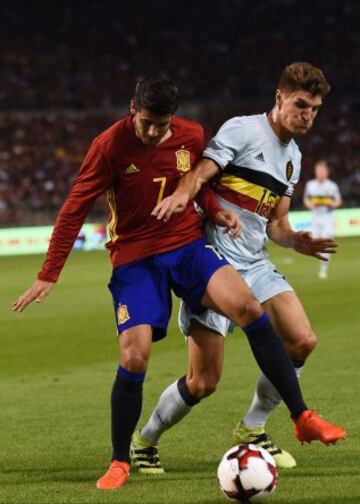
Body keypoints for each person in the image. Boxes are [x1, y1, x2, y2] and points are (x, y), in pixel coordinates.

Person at [13, 73, 344, 491]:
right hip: (135, 259)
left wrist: (212, 208)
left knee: (250, 310)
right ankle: (121, 460)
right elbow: (74, 208)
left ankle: (300, 416)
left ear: (175, 118)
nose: (154, 132)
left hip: (188, 248)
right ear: (133, 109)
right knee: (137, 359)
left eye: (163, 124)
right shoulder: (109, 146)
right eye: (147, 122)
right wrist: (49, 273)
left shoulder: (191, 135)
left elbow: (201, 184)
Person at [131, 62, 346, 474]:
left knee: (302, 341)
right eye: (301, 104)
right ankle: (145, 440)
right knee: (203, 383)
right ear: (280, 98)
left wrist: (295, 239)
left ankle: (253, 428)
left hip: (256, 263)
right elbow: (200, 173)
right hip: (213, 263)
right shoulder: (242, 130)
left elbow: (277, 225)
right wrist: (181, 196)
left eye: (315, 109)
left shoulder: (293, 158)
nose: (308, 115)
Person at [303, 160, 342, 279]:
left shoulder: (332, 186)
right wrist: (309, 205)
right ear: (315, 172)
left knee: (327, 241)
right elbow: (306, 199)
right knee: (315, 241)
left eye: (322, 171)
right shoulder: (310, 185)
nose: (320, 173)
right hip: (315, 217)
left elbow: (338, 201)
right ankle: (322, 261)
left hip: (327, 217)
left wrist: (333, 205)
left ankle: (323, 268)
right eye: (318, 171)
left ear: (327, 172)